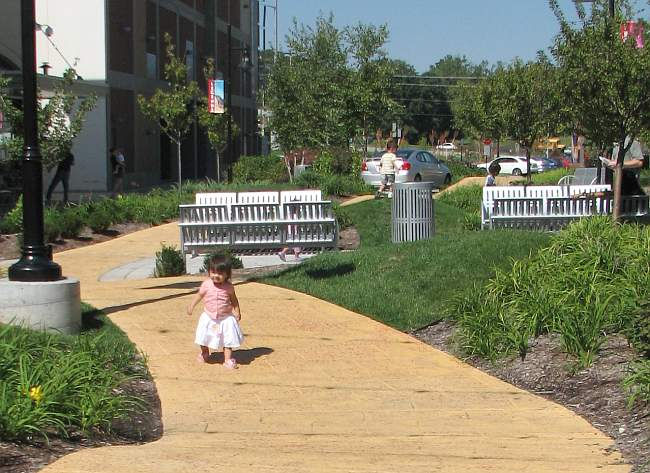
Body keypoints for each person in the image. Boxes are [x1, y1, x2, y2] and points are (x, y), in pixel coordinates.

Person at [187, 255, 244, 369]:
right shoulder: (207, 284)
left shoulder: (229, 287)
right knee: (203, 336)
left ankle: (227, 359)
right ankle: (205, 352)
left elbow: (234, 299)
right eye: (213, 272)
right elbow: (199, 295)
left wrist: (237, 310)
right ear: (209, 271)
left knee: (228, 339)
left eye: (220, 273)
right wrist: (191, 305)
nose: (216, 276)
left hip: (225, 318)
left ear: (227, 274)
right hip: (209, 316)